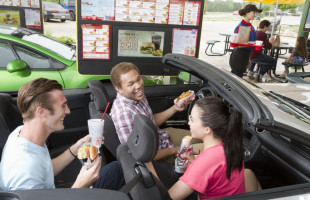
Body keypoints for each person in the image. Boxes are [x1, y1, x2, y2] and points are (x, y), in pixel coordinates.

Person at [0, 78, 124, 190]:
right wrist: (81, 184)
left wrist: (75, 148)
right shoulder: (26, 169)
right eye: (63, 106)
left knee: (117, 169)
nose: (68, 111)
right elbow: (34, 169)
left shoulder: (22, 133)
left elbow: (46, 169)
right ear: (41, 112)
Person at [109, 62, 203, 188]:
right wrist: (173, 150)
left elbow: (150, 121)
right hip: (158, 154)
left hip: (162, 136)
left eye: (138, 79)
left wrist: (175, 108)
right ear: (118, 88)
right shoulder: (123, 114)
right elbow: (141, 155)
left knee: (200, 136)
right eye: (131, 84)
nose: (138, 86)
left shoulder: (136, 95)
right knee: (207, 150)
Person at [167, 97, 261, 199]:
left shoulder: (203, 163)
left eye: (192, 119)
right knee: (249, 173)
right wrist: (194, 163)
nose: (188, 123)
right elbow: (214, 171)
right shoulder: (231, 146)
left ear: (207, 129)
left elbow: (170, 197)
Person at [229, 4, 262, 78]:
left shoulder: (250, 25)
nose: (255, 15)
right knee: (237, 80)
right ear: (247, 13)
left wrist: (248, 59)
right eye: (253, 13)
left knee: (238, 80)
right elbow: (238, 44)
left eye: (256, 13)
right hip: (239, 56)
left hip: (245, 55)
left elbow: (249, 42)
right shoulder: (241, 27)